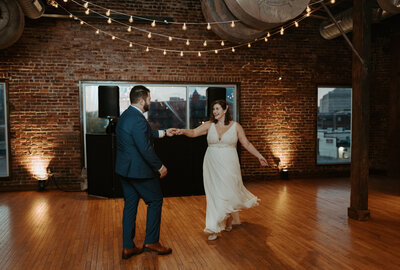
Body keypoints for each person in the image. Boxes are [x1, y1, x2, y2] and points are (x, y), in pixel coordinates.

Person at [176, 99, 268, 241]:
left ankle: (228, 217)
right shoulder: (209, 125)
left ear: (225, 110)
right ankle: (214, 227)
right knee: (214, 194)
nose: (215, 112)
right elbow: (194, 132)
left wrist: (259, 156)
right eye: (213, 109)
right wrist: (182, 131)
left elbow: (247, 144)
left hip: (229, 163)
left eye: (217, 109)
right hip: (211, 163)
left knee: (227, 191)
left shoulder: (236, 126)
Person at [115, 85, 175, 259]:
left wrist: (164, 133)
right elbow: (145, 148)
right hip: (139, 172)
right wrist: (159, 167)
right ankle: (151, 242)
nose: (150, 101)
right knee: (155, 200)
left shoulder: (126, 116)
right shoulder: (139, 119)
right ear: (142, 100)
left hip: (125, 172)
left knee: (130, 207)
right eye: (149, 98)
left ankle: (128, 247)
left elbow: (143, 136)